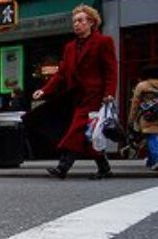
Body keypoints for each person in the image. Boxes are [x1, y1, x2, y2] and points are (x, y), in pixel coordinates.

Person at [32, 4, 117, 180]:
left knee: (76, 130)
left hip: (95, 97)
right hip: (76, 97)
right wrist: (44, 90)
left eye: (80, 21)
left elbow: (111, 70)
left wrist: (109, 94)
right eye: (74, 21)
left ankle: (63, 167)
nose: (76, 24)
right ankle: (104, 167)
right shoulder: (70, 47)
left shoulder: (103, 42)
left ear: (91, 22)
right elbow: (62, 73)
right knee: (88, 135)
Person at [127, 64, 158, 171]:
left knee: (151, 137)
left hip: (146, 115)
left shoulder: (142, 85)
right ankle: (150, 161)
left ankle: (157, 158)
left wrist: (131, 118)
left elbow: (135, 103)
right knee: (151, 135)